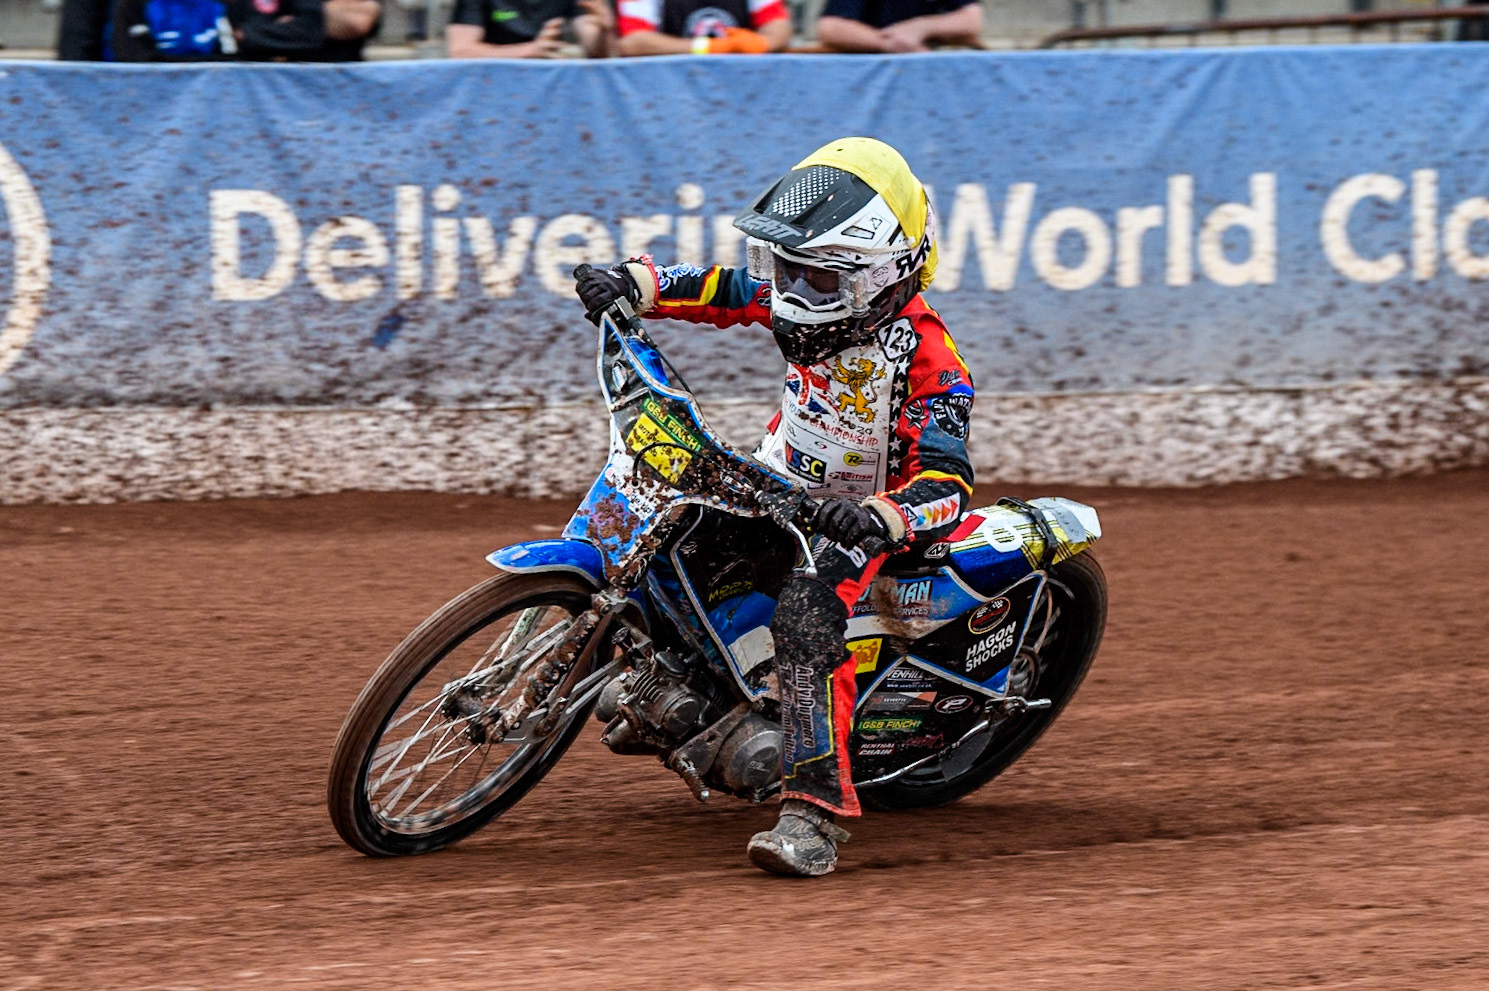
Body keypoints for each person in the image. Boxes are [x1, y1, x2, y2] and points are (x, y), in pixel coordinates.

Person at [573, 137, 975, 877]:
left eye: (818, 277)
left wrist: (881, 516)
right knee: (669, 529)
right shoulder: (803, 290)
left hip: (859, 522)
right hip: (777, 481)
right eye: (787, 269)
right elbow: (725, 288)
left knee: (805, 621)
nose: (794, 292)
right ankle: (672, 682)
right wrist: (633, 283)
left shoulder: (932, 363)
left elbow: (946, 484)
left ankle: (814, 814)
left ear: (882, 275)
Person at [614, 0, 790, 56]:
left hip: (740, 84)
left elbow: (779, 29)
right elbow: (632, 42)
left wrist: (761, 43)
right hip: (673, 87)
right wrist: (708, 47)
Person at [446, 0, 613, 58]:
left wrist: (604, 31)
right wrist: (531, 50)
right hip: (492, 83)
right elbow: (460, 51)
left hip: (550, 87)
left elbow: (596, 50)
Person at [816, 0, 981, 53]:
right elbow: (831, 28)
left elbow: (971, 22)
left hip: (930, 70)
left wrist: (922, 27)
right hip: (871, 72)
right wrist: (890, 43)